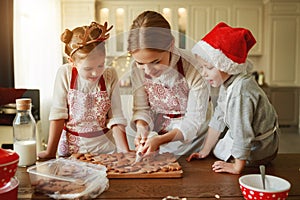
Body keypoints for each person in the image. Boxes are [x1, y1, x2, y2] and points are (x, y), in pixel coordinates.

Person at [187, 22, 279, 174]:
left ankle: (243, 162)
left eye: (209, 67)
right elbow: (219, 117)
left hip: (261, 149)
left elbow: (242, 132)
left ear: (227, 65)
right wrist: (205, 150)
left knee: (223, 159)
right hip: (247, 138)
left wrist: (237, 167)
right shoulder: (228, 83)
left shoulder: (240, 91)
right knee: (215, 152)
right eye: (202, 67)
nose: (203, 73)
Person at [38, 22, 130, 159]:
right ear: (72, 62)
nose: (95, 73)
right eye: (88, 69)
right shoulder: (65, 74)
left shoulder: (110, 75)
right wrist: (50, 152)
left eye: (100, 65)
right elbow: (58, 114)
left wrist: (125, 151)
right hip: (71, 149)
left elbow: (115, 116)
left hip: (105, 149)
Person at [127, 11, 211, 157]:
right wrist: (142, 128)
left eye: (155, 62)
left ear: (171, 45)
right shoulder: (136, 69)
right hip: (160, 137)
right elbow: (141, 108)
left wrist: (160, 140)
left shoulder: (194, 66)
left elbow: (194, 121)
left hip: (196, 141)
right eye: (141, 63)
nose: (148, 71)